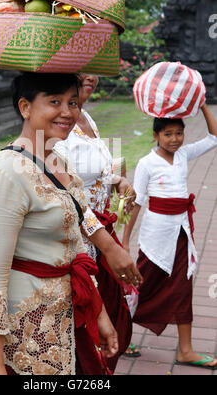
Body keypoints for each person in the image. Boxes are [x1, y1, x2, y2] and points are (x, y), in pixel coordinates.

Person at [0, 73, 119, 375]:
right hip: (25, 334)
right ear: (25, 106)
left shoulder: (59, 162)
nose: (67, 112)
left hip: (63, 320)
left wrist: (98, 311)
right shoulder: (8, 172)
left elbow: (75, 245)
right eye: (54, 102)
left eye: (73, 102)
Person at [54, 74, 143, 373]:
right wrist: (108, 246)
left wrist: (119, 180)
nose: (90, 76)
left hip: (101, 234)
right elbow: (68, 195)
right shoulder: (56, 127)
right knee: (83, 334)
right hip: (79, 241)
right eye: (82, 71)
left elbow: (94, 173)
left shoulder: (86, 116)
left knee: (111, 321)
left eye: (93, 70)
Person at [122, 104, 217, 370]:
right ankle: (121, 334)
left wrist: (202, 107)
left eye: (179, 133)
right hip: (154, 239)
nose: (174, 139)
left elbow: (214, 138)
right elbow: (137, 202)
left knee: (184, 288)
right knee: (138, 286)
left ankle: (186, 350)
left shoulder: (184, 155)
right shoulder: (146, 163)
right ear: (156, 136)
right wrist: (125, 241)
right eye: (167, 134)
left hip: (182, 234)